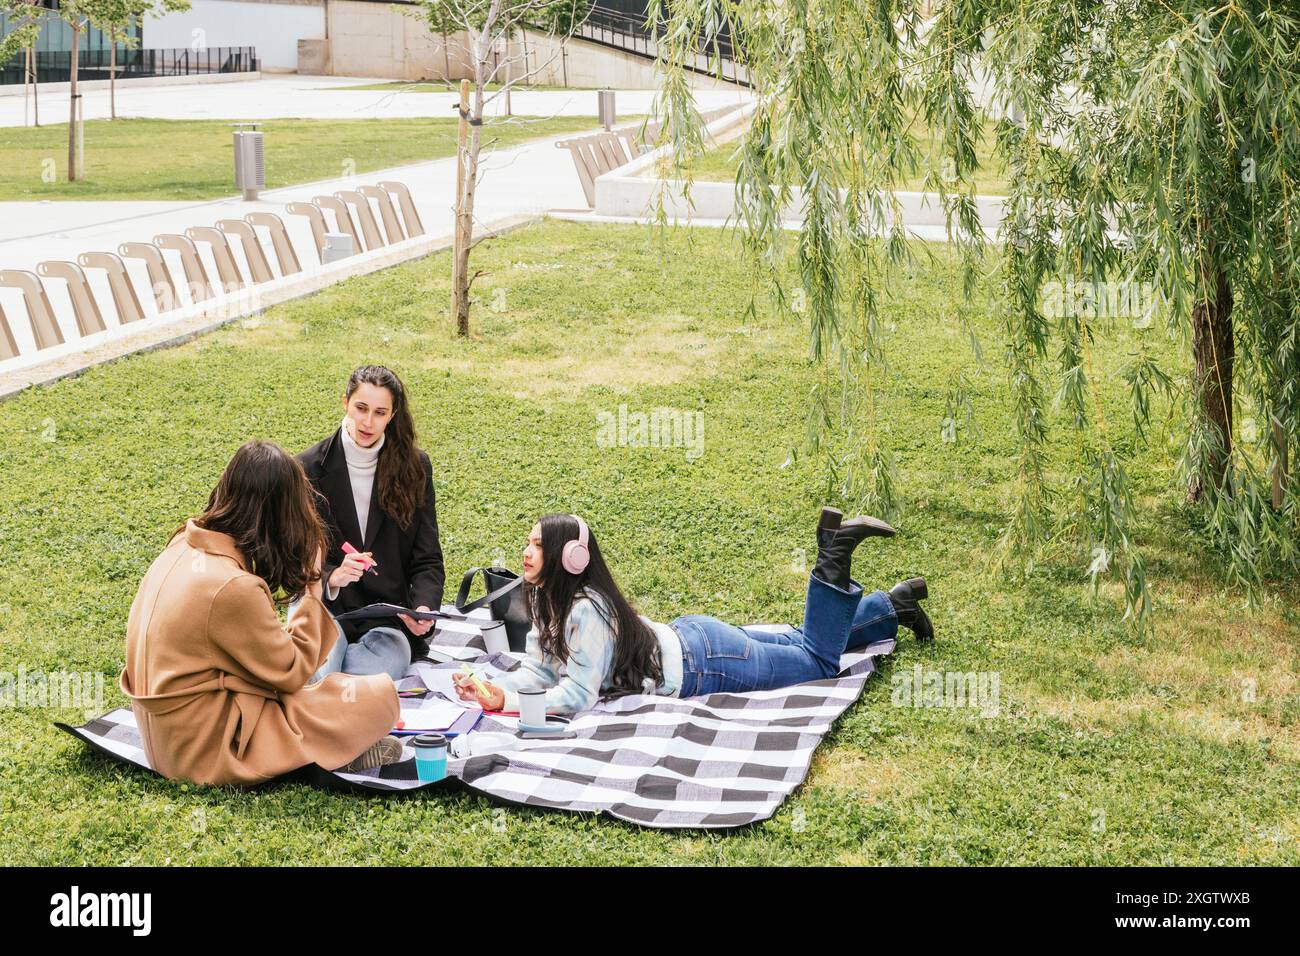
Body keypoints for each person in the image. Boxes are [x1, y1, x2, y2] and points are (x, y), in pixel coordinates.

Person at [454, 508, 934, 716]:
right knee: (798, 639)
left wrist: (508, 705)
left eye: (538, 545)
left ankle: (834, 557)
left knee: (817, 661)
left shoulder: (586, 610)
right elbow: (539, 671)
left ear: (570, 558)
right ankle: (894, 605)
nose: (526, 553)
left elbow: (577, 695)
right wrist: (496, 688)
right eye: (528, 542)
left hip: (707, 664)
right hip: (694, 642)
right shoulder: (548, 603)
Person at [119, 441, 402, 786]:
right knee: (373, 699)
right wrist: (313, 586)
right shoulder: (231, 586)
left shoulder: (180, 546)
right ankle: (330, 751)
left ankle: (328, 746)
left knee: (331, 695)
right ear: (279, 517)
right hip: (207, 751)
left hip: (166, 741)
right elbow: (293, 671)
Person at [296, 365, 445, 682]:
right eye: (361, 408)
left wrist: (423, 607)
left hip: (386, 618)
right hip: (326, 610)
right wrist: (333, 577)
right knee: (317, 673)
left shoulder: (415, 468)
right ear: (345, 402)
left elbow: (428, 557)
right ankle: (332, 677)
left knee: (373, 676)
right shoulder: (307, 468)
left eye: (380, 412)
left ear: (392, 416)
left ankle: (338, 688)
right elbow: (295, 560)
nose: (368, 422)